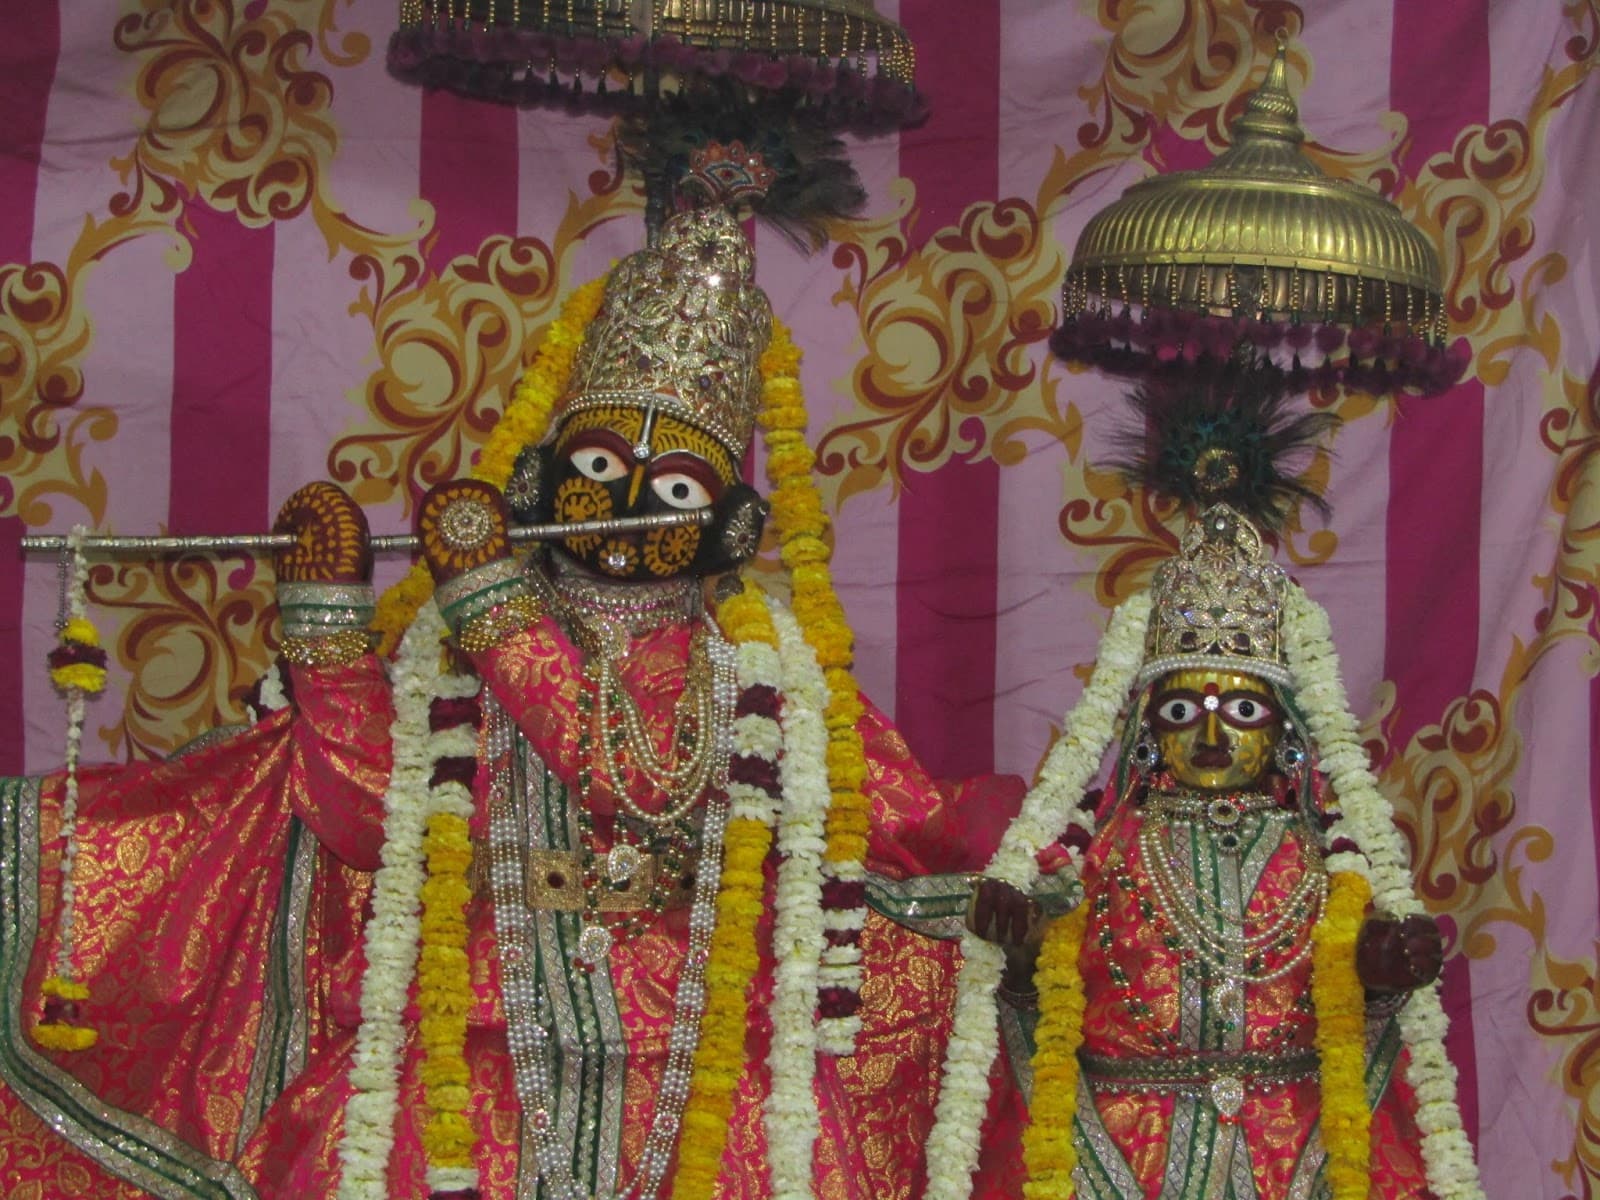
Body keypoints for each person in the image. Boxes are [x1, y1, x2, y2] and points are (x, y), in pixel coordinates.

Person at [0, 190, 1022, 1200]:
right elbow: (364, 821)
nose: (625, 501)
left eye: (673, 488)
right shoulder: (452, 653)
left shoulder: (758, 672)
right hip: (471, 1045)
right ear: (538, 484)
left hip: (709, 1069)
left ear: (732, 527)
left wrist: (490, 597)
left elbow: (636, 773)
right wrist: (324, 613)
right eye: (597, 466)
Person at [954, 408, 1482, 1200]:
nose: (1208, 732)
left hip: (1297, 1139)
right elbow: (1045, 985)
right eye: (1179, 710)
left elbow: (1357, 1025)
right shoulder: (1103, 845)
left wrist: (1379, 979)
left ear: (1284, 732)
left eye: (1240, 710)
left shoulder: (1325, 855)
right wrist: (1019, 947)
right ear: (1143, 729)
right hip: (1119, 1147)